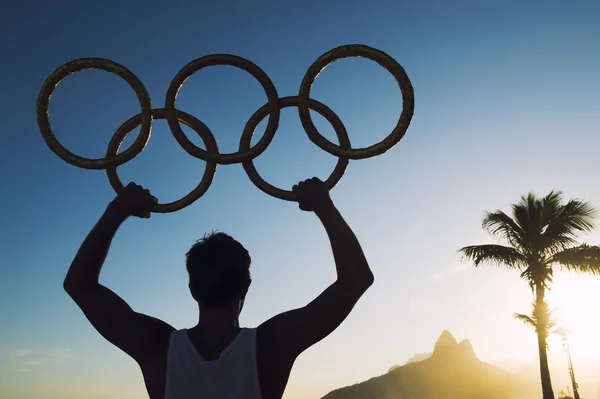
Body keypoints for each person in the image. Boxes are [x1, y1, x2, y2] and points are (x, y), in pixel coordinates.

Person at [63, 177, 374, 399]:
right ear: (246, 288)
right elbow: (355, 279)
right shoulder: (273, 344)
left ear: (191, 288)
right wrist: (323, 204)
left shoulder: (156, 346)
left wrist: (118, 210)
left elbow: (79, 284)